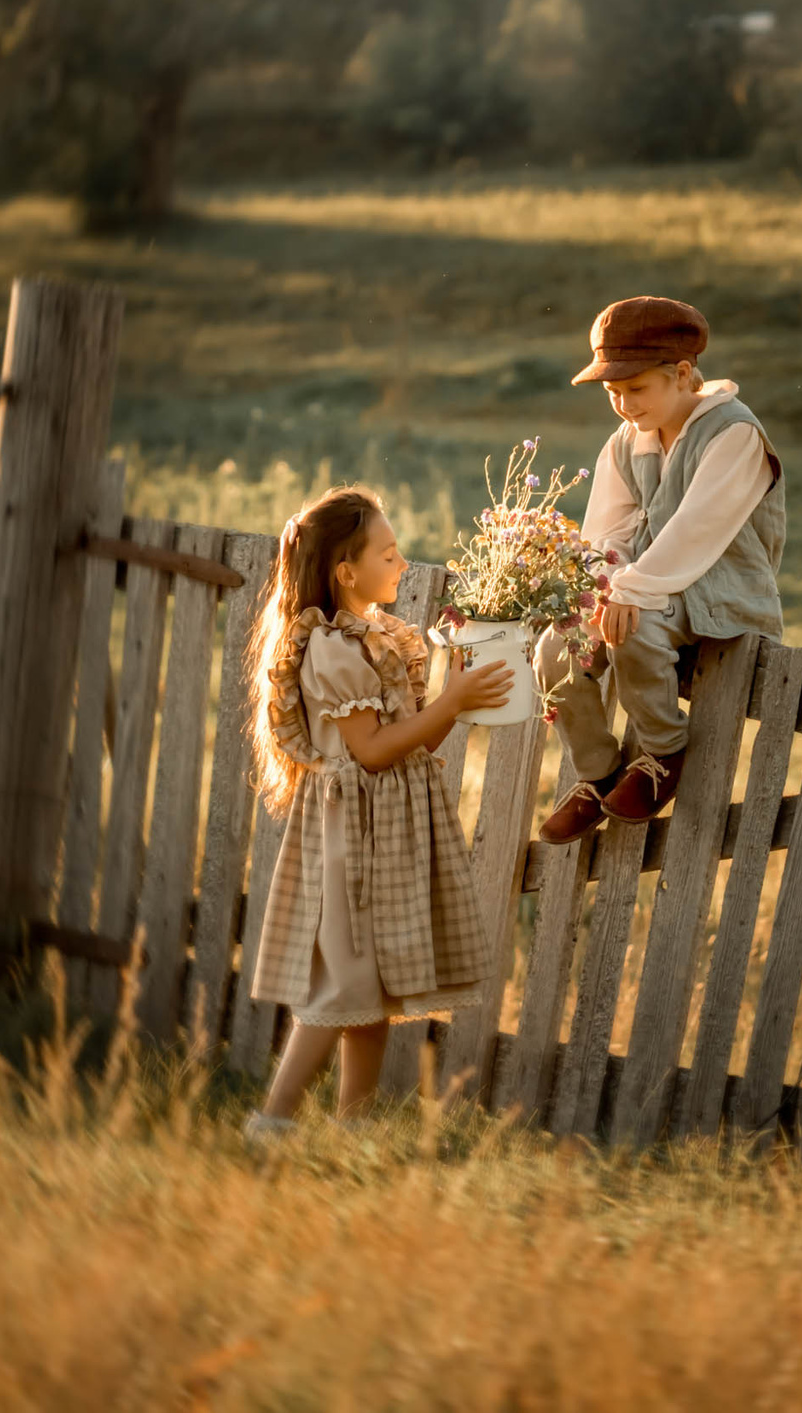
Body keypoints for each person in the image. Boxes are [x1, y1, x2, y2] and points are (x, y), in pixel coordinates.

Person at [239, 485, 514, 1144]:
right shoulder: (333, 649)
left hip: (388, 826)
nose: (402, 563)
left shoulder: (381, 638)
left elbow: (413, 739)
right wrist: (450, 701)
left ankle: (352, 1132)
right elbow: (368, 753)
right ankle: (272, 1124)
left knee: (372, 994)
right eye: (388, 554)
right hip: (352, 836)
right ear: (346, 570)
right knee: (343, 987)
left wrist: (457, 695)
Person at [534, 296, 785, 845]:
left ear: (683, 374)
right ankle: (601, 772)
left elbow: (696, 531)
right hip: (645, 587)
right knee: (557, 649)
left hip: (718, 593)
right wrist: (600, 587)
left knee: (634, 628)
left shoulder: (731, 433)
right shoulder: (628, 440)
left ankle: (661, 752)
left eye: (636, 389)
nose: (623, 404)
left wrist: (629, 591)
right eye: (612, 393)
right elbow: (608, 532)